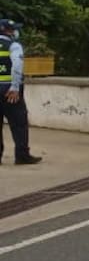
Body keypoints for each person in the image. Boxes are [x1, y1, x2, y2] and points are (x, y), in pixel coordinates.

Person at [0, 19, 41, 164]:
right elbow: (17, 65)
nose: (15, 32)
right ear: (8, 31)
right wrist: (15, 87)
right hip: (9, 90)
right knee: (19, 123)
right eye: (13, 29)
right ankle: (22, 155)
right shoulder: (14, 45)